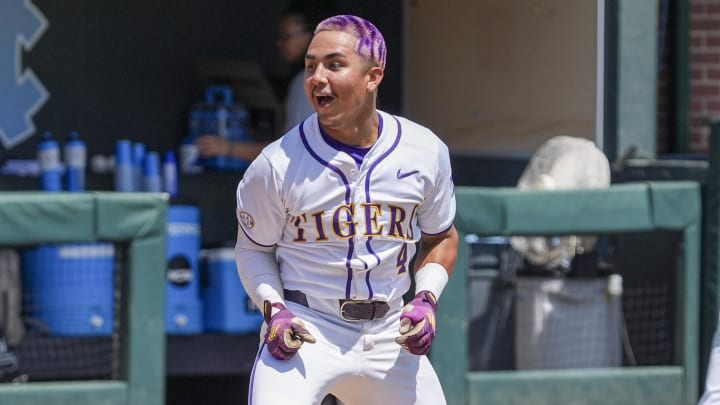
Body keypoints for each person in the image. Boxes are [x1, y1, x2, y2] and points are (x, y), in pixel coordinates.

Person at [234, 14, 459, 404]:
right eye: (310, 66)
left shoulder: (424, 151)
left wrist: (426, 299)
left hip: (391, 331)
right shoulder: (276, 164)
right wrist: (274, 310)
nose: (317, 77)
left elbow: (441, 237)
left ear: (373, 76)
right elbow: (253, 249)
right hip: (308, 329)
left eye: (334, 65)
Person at [195, 0, 336, 163]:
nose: (279, 43)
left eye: (285, 36)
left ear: (314, 34)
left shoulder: (310, 81)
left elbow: (294, 151)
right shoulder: (337, 78)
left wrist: (227, 147)